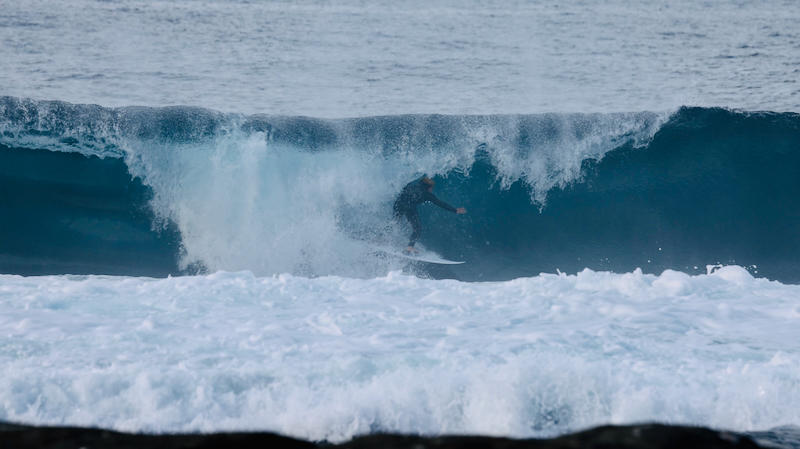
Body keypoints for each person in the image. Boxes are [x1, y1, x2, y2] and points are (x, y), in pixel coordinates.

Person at [393, 176, 466, 253]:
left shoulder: (411, 185)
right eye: (431, 188)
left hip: (398, 204)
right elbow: (440, 203)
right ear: (428, 187)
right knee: (417, 229)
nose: (431, 190)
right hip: (409, 208)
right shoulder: (426, 194)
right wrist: (455, 210)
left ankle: (380, 237)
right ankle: (410, 247)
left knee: (396, 224)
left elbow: (400, 185)